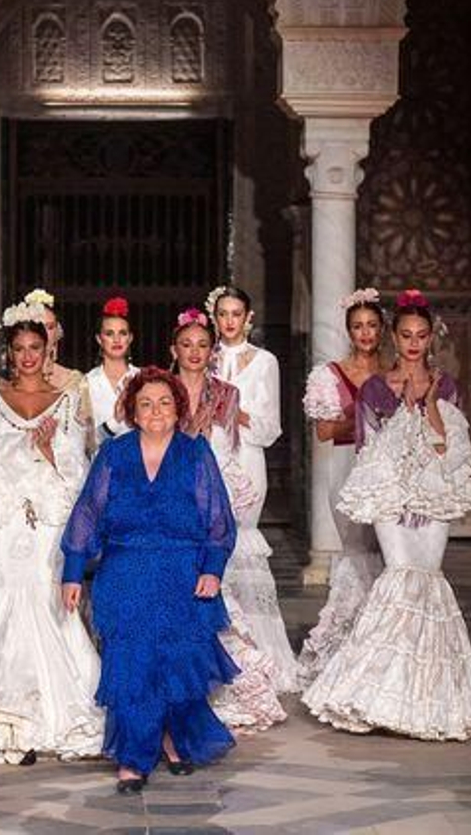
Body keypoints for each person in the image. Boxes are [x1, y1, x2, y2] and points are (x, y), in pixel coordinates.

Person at [303, 290, 471, 740]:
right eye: (406, 335)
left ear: (431, 338)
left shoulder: (447, 387)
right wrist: (403, 418)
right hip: (391, 498)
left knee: (428, 582)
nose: (413, 343)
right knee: (398, 578)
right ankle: (376, 691)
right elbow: (370, 449)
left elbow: (450, 450)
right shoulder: (374, 388)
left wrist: (427, 405)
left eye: (421, 335)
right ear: (394, 337)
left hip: (433, 497)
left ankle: (426, 696)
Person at [61, 367, 240, 793]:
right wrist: (72, 572)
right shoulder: (114, 454)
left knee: (176, 662)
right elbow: (88, 512)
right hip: (125, 575)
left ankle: (173, 737)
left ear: (178, 408)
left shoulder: (195, 454)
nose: (156, 411)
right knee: (131, 665)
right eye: (145, 404)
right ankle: (133, 755)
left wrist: (212, 569)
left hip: (182, 575)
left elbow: (218, 518)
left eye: (164, 402)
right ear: (132, 412)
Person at [0, 301, 103, 763]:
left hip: (49, 516)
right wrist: (17, 453)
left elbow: (80, 470)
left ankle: (54, 707)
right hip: (0, 518)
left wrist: (49, 453)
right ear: (9, 353)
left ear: (48, 349)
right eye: (19, 349)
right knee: (4, 593)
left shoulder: (69, 400)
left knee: (45, 592)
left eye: (35, 347)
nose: (27, 356)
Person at [171, 309, 287, 732]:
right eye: (187, 344)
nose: (195, 352)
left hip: (213, 491)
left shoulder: (226, 394)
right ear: (174, 349)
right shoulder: (162, 390)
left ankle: (220, 680)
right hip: (171, 494)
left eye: (203, 345)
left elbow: (231, 450)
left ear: (212, 351)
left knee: (211, 581)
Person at [206, 285, 299, 690]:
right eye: (223, 314)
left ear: (248, 318)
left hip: (246, 457)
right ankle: (218, 650)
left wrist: (236, 412)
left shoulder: (265, 362)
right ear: (215, 318)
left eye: (236, 314)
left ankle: (257, 653)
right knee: (209, 542)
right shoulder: (202, 356)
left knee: (241, 542)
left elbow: (271, 425)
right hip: (209, 456)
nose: (229, 321)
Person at [297, 288, 387, 687]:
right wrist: (367, 414)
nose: (365, 333)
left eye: (371, 325)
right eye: (357, 326)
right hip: (348, 464)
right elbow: (324, 430)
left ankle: (380, 647)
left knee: (387, 554)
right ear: (349, 332)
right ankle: (343, 647)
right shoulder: (330, 374)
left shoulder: (396, 370)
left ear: (382, 329)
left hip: (389, 467)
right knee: (356, 550)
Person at [87, 296, 139, 444]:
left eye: (122, 333)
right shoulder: (87, 383)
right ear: (99, 339)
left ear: (130, 338)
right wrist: (114, 421)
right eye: (109, 334)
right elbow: (85, 443)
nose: (116, 340)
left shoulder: (142, 378)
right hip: (101, 458)